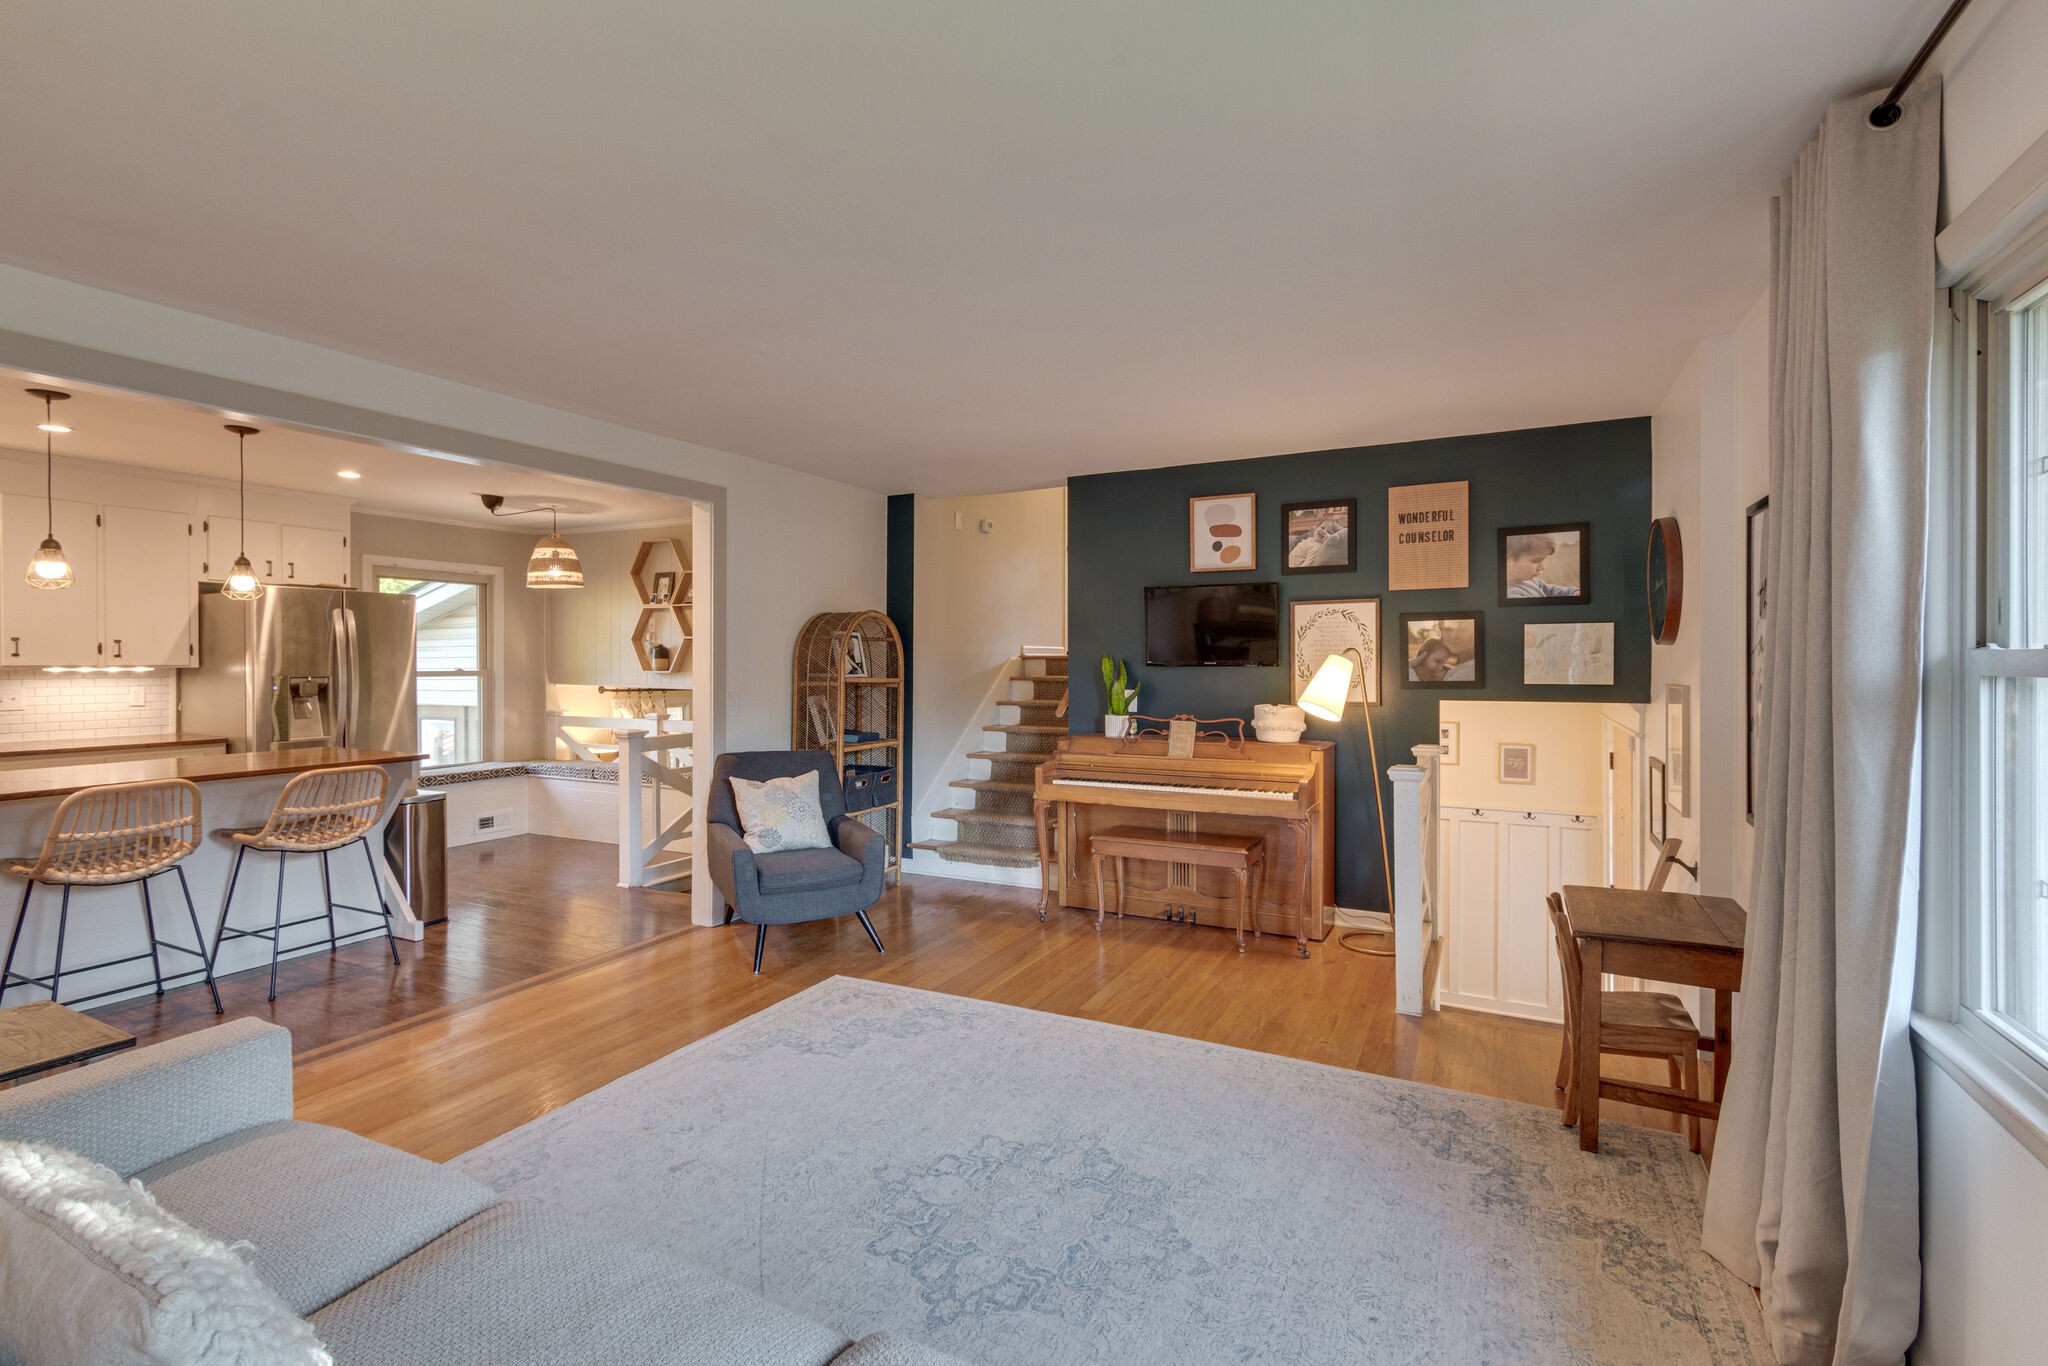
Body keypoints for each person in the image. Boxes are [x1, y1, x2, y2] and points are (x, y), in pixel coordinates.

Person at [1504, 533, 1577, 598]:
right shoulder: (1511, 594)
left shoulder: (1530, 580)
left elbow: (1548, 589)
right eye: (1536, 561)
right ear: (1508, 559)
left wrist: (1572, 592)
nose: (1542, 567)